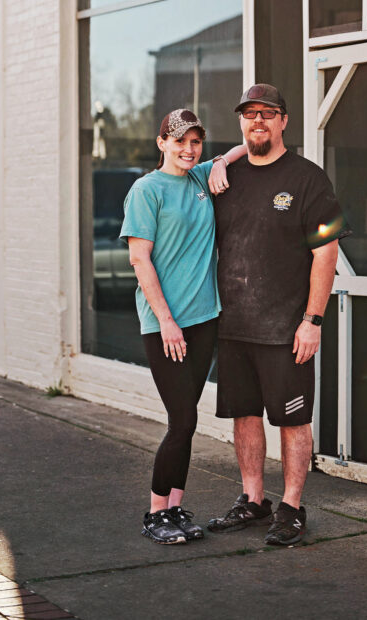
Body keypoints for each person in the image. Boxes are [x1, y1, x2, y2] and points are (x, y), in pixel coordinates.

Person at [207, 84, 349, 546]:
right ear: (242, 123)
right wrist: (221, 161)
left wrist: (314, 320)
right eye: (250, 114)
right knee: (244, 416)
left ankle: (290, 507)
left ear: (285, 120)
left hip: (287, 330)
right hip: (233, 327)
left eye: (268, 113)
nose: (258, 121)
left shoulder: (308, 179)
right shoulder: (226, 179)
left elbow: (326, 253)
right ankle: (253, 500)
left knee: (292, 421)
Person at [120, 108, 244, 545]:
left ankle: (175, 508)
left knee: (187, 422)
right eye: (179, 142)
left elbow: (245, 145)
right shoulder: (146, 190)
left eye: (195, 142)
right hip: (164, 326)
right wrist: (167, 322)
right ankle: (155, 513)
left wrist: (224, 162)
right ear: (162, 144)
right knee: (182, 418)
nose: (189, 150)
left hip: (203, 321)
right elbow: (140, 259)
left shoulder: (199, 178)